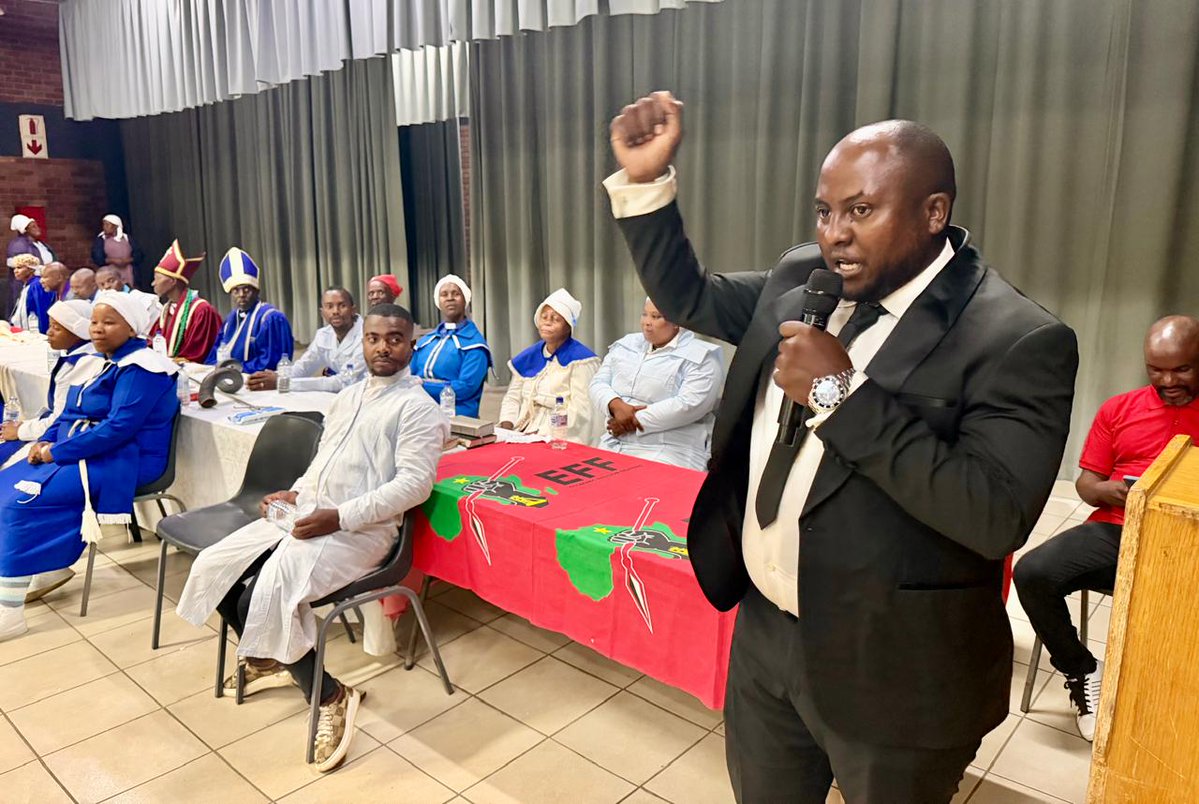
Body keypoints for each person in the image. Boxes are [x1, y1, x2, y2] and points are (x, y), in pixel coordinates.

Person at [605, 93, 1078, 802]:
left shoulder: (1014, 338)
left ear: (932, 212)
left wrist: (839, 397)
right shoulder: (803, 279)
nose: (835, 236)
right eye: (824, 212)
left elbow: (993, 515)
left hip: (895, 668)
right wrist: (645, 187)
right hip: (766, 634)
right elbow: (690, 299)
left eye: (860, 211)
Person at [176, 303, 448, 773]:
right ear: (363, 342)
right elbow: (324, 463)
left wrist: (338, 517)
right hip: (309, 514)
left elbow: (413, 487)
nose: (383, 347)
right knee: (215, 569)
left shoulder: (417, 407)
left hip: (363, 532)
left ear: (411, 345)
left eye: (395, 339)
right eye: (374, 338)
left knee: (264, 592)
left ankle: (331, 696)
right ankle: (276, 656)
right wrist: (294, 492)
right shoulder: (349, 395)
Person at [1014, 315, 1199, 742]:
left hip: (1186, 541)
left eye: (1182, 369)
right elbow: (1086, 484)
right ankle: (1082, 672)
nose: (1168, 380)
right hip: (1118, 531)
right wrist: (1109, 491)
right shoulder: (1119, 409)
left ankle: (1168, 693)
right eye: (1157, 369)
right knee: (1033, 573)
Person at [0, 290, 180, 641]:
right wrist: (43, 441)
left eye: (109, 322)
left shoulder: (144, 369)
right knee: (7, 485)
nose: (97, 329)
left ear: (133, 329)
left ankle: (9, 612)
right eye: (95, 322)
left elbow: (118, 429)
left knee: (21, 502)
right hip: (90, 451)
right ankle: (39, 568)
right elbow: (70, 412)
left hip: (127, 462)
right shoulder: (107, 361)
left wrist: (56, 453)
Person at [589, 298, 724, 471]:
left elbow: (689, 405)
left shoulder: (702, 356)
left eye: (656, 317)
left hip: (671, 447)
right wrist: (614, 404)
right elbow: (598, 382)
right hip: (615, 440)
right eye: (644, 314)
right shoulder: (626, 344)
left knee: (646, 491)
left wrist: (630, 420)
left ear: (677, 322)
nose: (647, 323)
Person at [497, 288, 601, 444]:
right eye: (543, 317)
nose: (547, 322)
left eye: (555, 318)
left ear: (568, 326)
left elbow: (581, 412)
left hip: (559, 436)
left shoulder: (581, 361)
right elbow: (512, 397)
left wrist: (542, 435)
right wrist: (506, 426)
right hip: (523, 430)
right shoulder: (529, 356)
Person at [247, 287, 365, 393]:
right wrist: (276, 377)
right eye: (329, 306)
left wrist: (283, 383)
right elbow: (304, 366)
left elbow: (343, 381)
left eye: (342, 305)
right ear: (322, 312)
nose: (335, 311)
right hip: (342, 396)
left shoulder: (367, 336)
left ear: (353, 309)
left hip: (365, 397)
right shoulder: (323, 335)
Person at [411, 275, 492, 417]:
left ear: (465, 300)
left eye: (456, 294)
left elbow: (465, 388)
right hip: (418, 411)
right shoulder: (425, 342)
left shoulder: (475, 346)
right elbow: (408, 376)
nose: (450, 298)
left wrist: (420, 385)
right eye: (444, 294)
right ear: (438, 301)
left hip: (456, 417)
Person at [206, 247, 294, 372]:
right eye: (236, 290)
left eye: (246, 289)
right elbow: (215, 354)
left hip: (259, 384)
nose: (241, 294)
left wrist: (234, 370)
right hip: (231, 377)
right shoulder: (230, 320)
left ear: (256, 290)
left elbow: (270, 363)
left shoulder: (270, 318)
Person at [148, 240, 222, 364]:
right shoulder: (166, 311)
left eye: (157, 279)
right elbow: (152, 342)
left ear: (172, 281)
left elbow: (197, 354)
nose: (153, 283)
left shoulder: (202, 310)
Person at [6, 215, 55, 320]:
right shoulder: (18, 245)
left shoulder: (41, 244)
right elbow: (18, 263)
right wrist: (44, 270)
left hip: (45, 280)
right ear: (24, 230)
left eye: (36, 225)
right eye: (33, 226)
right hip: (31, 283)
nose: (37, 228)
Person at [89, 215, 144, 289]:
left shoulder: (127, 238)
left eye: (107, 225)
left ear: (115, 226)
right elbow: (97, 257)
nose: (104, 227)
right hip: (111, 270)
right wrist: (112, 260)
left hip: (128, 270)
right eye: (104, 224)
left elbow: (139, 255)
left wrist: (128, 260)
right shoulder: (101, 240)